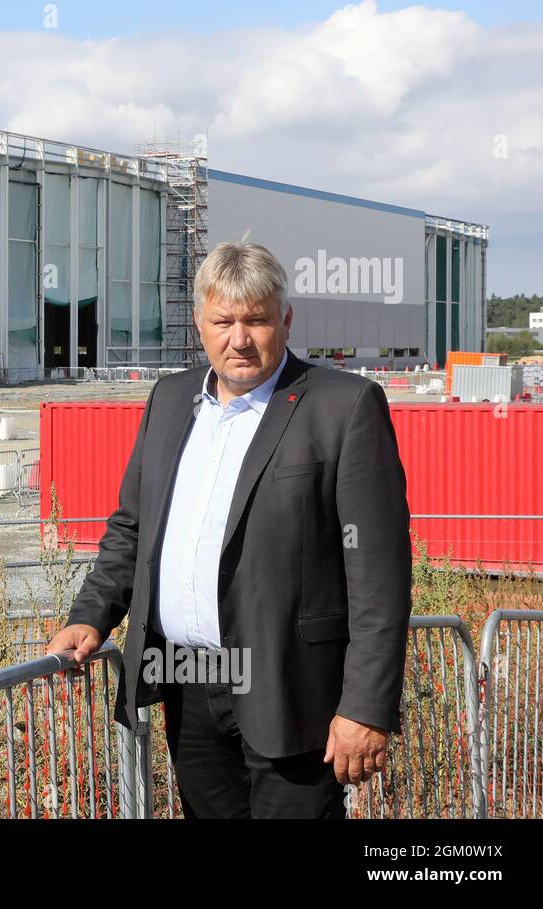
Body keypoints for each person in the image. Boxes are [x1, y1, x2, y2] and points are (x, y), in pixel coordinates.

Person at [47, 241, 411, 819]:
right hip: (188, 680)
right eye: (223, 321)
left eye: (257, 320)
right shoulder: (170, 400)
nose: (239, 338)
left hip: (292, 690)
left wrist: (365, 705)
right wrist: (89, 615)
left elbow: (379, 574)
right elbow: (132, 529)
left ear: (285, 319)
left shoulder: (343, 407)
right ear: (199, 322)